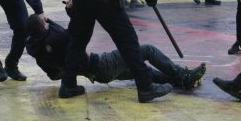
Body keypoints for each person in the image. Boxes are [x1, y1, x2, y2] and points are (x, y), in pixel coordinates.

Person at [25, 13, 206, 88]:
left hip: (98, 75)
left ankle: (179, 82)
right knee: (148, 50)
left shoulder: (38, 52)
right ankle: (184, 76)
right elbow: (71, 34)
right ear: (44, 28)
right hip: (102, 64)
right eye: (44, 20)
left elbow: (54, 75)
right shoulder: (55, 38)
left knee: (143, 71)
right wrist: (52, 22)